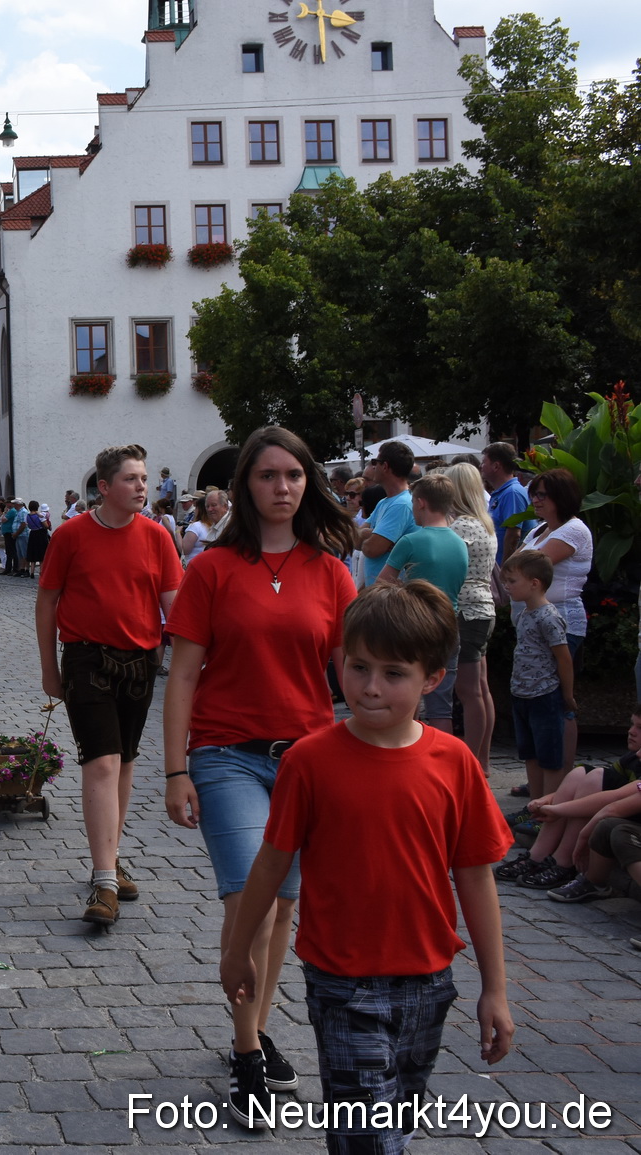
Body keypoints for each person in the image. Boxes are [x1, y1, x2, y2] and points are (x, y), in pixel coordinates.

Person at [221, 581, 512, 1144]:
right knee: (365, 1136)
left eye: (393, 673)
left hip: (429, 980)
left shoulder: (454, 763)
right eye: (358, 668)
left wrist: (494, 987)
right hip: (341, 982)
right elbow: (269, 866)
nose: (370, 688)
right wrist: (236, 954)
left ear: (431, 678)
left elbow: (475, 875)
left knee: (397, 1125)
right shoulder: (310, 760)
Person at [162, 426, 358, 1121]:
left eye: (295, 475)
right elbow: (183, 672)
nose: (283, 486)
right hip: (224, 754)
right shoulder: (213, 568)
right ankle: (248, 1057)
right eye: (269, 475)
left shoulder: (332, 572)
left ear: (309, 483)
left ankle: (255, 1027)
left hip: (306, 759)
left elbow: (350, 674)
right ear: (245, 484)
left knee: (284, 909)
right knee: (251, 899)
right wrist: (175, 769)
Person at [37, 444, 183, 926]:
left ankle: (111, 858)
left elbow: (174, 605)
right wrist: (48, 668)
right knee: (100, 762)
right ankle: (104, 883)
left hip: (140, 662)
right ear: (104, 487)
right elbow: (47, 602)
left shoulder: (158, 537)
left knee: (124, 763)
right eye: (131, 479)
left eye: (143, 478)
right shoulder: (72, 535)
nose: (143, 487)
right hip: (85, 659)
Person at [498, 707, 641, 896]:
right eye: (632, 724)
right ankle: (538, 856)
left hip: (627, 819)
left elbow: (614, 802)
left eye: (640, 727)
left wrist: (558, 810)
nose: (631, 731)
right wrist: (548, 799)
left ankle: (564, 861)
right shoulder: (632, 758)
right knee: (583, 774)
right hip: (620, 812)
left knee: (601, 802)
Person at [376, 473, 468, 732]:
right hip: (450, 626)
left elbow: (382, 583)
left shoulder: (411, 541)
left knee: (407, 695)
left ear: (421, 503)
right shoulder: (460, 543)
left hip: (416, 625)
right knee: (441, 704)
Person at [519, 468, 593, 785]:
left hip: (561, 622)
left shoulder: (574, 530)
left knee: (558, 703)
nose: (534, 500)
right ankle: (543, 780)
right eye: (533, 493)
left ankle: (559, 781)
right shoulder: (539, 530)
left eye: (541, 495)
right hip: (531, 627)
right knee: (537, 707)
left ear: (560, 497)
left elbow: (527, 566)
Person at [500, 550, 576, 808]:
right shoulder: (524, 614)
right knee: (530, 753)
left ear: (535, 583)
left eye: (512, 581)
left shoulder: (549, 617)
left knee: (550, 756)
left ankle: (548, 809)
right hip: (521, 694)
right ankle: (533, 806)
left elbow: (563, 658)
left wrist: (567, 694)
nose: (507, 587)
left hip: (544, 695)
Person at [443, 463, 499, 772]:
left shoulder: (462, 526)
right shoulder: (484, 522)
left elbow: (447, 561)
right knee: (480, 688)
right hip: (482, 608)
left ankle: (475, 763)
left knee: (468, 690)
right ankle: (484, 759)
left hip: (466, 611)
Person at [357, 440, 417, 584]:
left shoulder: (401, 504)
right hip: (381, 593)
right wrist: (370, 535)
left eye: (375, 462)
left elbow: (371, 549)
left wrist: (367, 536)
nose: (373, 467)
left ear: (385, 466)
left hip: (392, 597)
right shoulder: (384, 502)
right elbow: (353, 540)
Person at [482, 442, 536, 564]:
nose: (481, 466)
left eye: (484, 462)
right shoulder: (503, 492)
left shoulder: (512, 493)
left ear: (496, 466)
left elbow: (513, 535)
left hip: (508, 568)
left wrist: (505, 569)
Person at [180, 488, 229, 565]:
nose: (209, 509)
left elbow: (184, 550)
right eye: (207, 506)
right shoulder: (214, 525)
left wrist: (176, 532)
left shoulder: (230, 526)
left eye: (214, 505)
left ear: (225, 507)